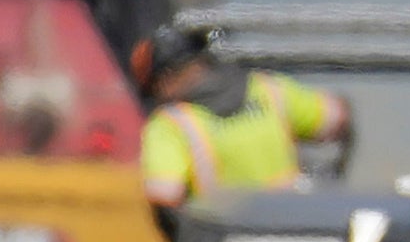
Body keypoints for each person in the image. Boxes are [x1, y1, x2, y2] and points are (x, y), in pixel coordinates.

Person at [134, 30, 351, 212]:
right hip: (292, 226)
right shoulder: (267, 89)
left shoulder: (169, 125)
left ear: (164, 81)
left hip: (225, 238)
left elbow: (165, 192)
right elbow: (336, 117)